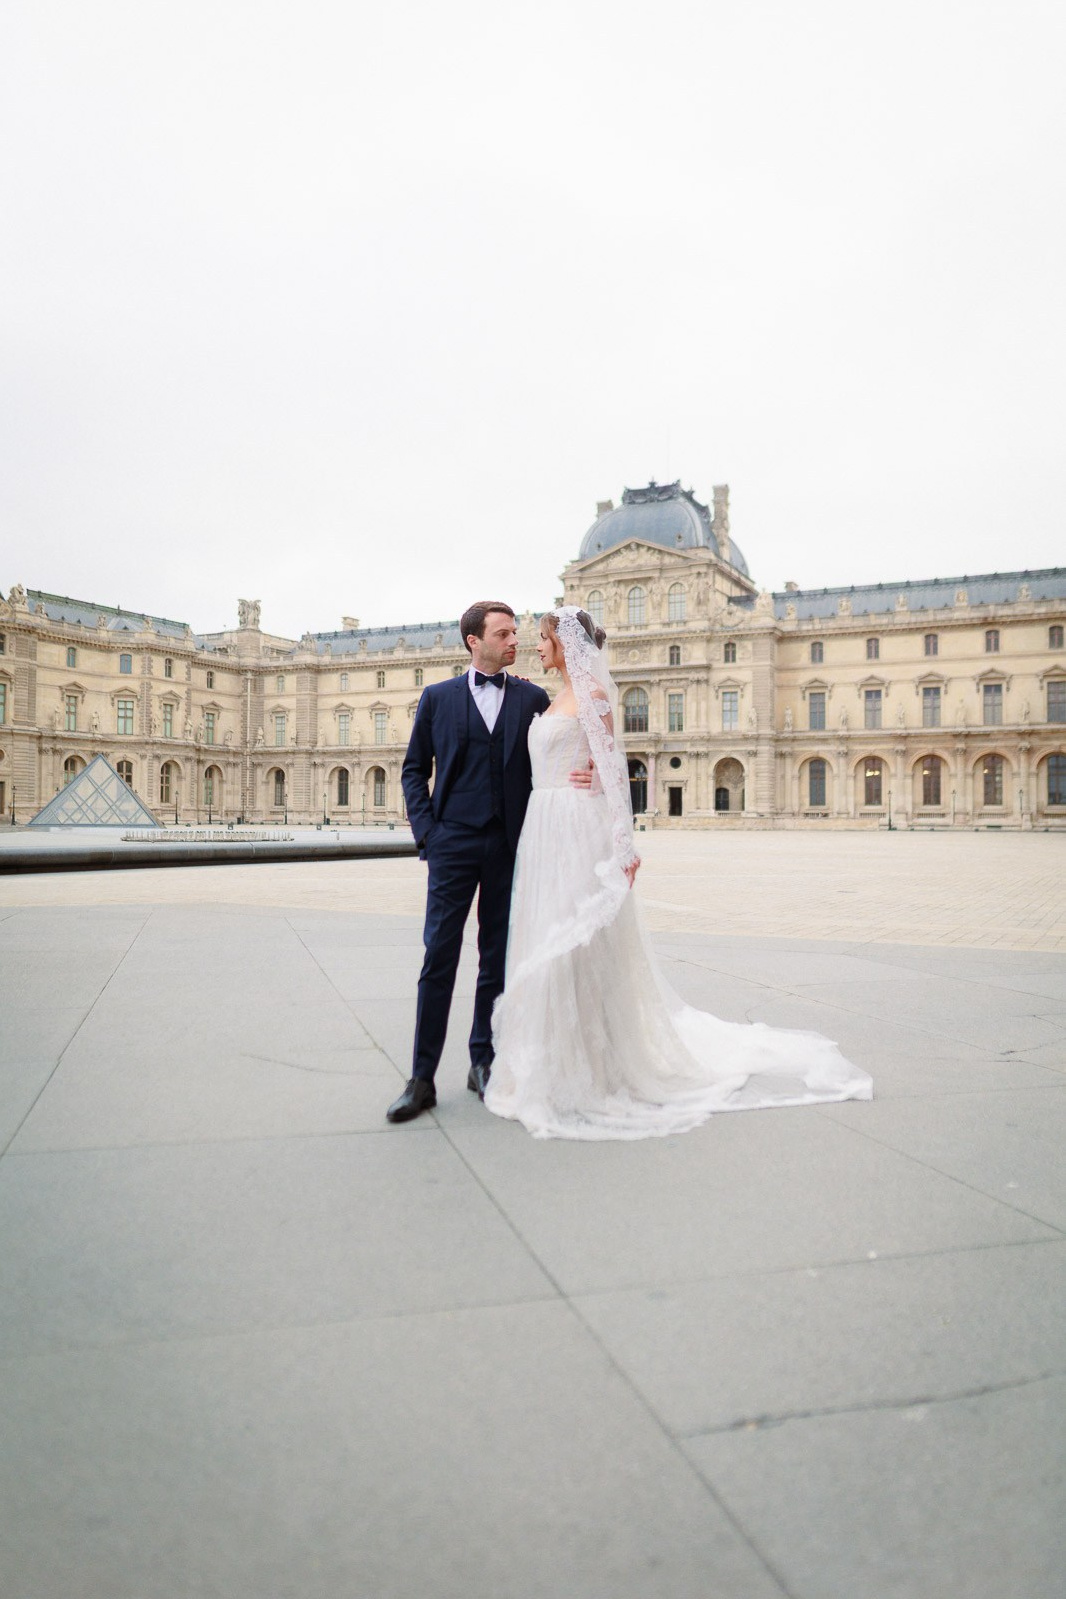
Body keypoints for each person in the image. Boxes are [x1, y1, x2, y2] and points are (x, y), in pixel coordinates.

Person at [484, 606, 872, 1139]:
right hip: (545, 827)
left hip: (575, 826)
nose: (536, 646)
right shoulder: (547, 698)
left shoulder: (594, 698)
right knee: (549, 934)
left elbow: (615, 774)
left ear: (566, 644)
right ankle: (550, 1060)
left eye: (544, 639)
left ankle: (590, 1065)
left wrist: (624, 843)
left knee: (578, 943)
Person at [388, 601, 588, 1124]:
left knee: (495, 959)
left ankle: (483, 1061)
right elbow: (413, 771)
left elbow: (565, 743)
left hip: (509, 845)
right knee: (439, 958)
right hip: (451, 843)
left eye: (516, 633)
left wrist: (587, 771)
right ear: (474, 641)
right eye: (503, 633)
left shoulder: (532, 697)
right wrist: (428, 833)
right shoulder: (437, 699)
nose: (514, 640)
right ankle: (421, 1077)